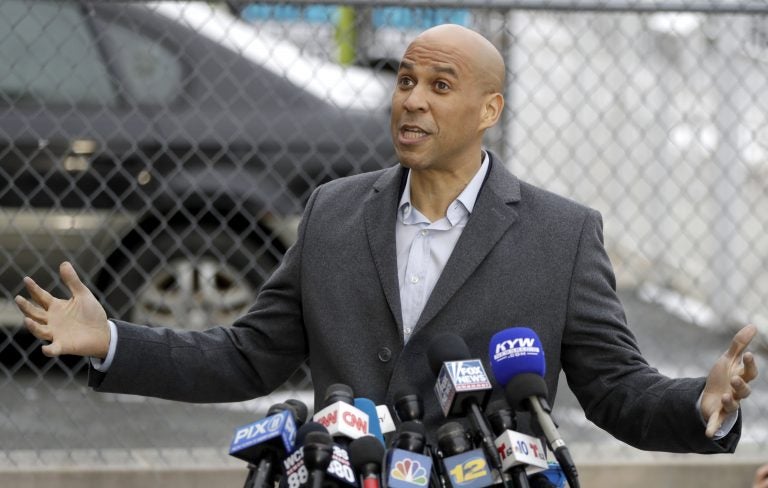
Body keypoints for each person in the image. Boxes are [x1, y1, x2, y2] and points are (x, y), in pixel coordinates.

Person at [15, 24, 757, 453]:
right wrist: (113, 340)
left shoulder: (562, 236)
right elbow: (248, 358)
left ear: (488, 108)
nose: (412, 100)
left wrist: (701, 403)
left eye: (440, 85)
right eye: (405, 81)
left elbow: (617, 391)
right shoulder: (334, 213)